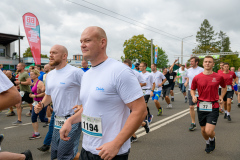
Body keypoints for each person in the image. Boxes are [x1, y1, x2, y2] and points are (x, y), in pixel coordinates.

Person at [60, 26, 147, 160]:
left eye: (87, 40)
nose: (82, 45)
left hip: (110, 152)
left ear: (102, 42)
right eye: (81, 41)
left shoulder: (120, 71)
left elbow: (140, 111)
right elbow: (88, 108)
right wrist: (70, 121)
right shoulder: (87, 75)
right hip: (87, 149)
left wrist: (116, 144)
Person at [34, 44, 84, 160]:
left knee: (64, 155)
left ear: (64, 56)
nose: (50, 55)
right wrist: (41, 105)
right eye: (50, 53)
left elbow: (89, 91)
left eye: (54, 53)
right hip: (57, 119)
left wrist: (82, 105)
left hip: (73, 119)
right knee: (56, 153)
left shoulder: (76, 72)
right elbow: (49, 95)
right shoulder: (50, 75)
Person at [191, 56, 227, 153]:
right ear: (203, 64)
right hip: (201, 105)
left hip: (213, 105)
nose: (207, 63)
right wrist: (193, 96)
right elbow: (192, 89)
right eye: (206, 62)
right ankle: (208, 142)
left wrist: (221, 96)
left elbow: (224, 87)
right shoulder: (197, 77)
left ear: (213, 64)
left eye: (210, 62)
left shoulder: (218, 77)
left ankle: (212, 138)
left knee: (209, 131)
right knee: (203, 130)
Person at [0, 70, 33, 160]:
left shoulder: (23, 74)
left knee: (26, 105)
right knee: (18, 106)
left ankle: (24, 157)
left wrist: (19, 83)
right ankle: (25, 157)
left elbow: (14, 95)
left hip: (26, 92)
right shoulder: (19, 75)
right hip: (20, 92)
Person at [123, 59, 146, 143]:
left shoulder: (136, 73)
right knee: (126, 117)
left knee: (129, 118)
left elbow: (144, 83)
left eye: (126, 66)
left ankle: (133, 136)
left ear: (130, 66)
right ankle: (143, 124)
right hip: (124, 97)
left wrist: (134, 86)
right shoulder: (121, 74)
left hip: (134, 97)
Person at [184, 57, 204, 131]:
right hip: (191, 90)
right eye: (190, 61)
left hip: (200, 91)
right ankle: (193, 123)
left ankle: (203, 122)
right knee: (191, 107)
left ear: (196, 62)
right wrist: (186, 82)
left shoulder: (201, 70)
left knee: (201, 107)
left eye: (192, 61)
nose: (191, 62)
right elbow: (189, 77)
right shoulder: (188, 70)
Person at [29, 69, 49, 140]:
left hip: (41, 102)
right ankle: (36, 133)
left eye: (32, 74)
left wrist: (36, 96)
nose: (30, 76)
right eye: (30, 74)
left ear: (36, 75)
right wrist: (33, 95)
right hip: (35, 102)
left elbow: (45, 93)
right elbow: (36, 92)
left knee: (42, 119)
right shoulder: (33, 83)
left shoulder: (39, 83)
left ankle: (53, 120)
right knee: (33, 117)